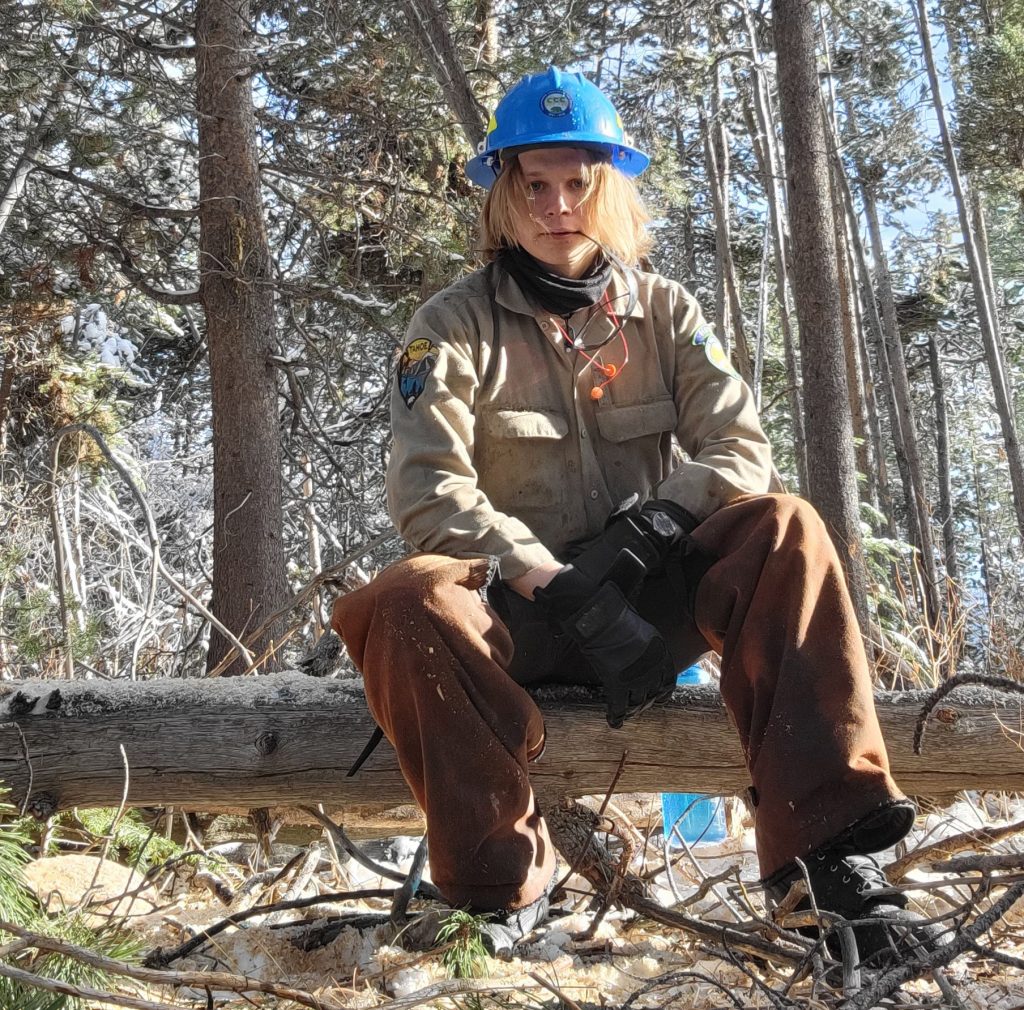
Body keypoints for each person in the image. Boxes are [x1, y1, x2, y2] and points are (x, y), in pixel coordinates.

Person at [332, 67, 927, 963]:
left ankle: (828, 867)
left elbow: (739, 452)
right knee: (407, 598)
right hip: (519, 617)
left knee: (787, 527)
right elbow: (428, 493)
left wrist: (650, 530)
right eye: (533, 182)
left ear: (609, 186)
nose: (556, 204)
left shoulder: (667, 313)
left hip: (647, 606)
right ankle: (496, 895)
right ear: (502, 191)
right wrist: (544, 573)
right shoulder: (448, 326)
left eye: (579, 182)